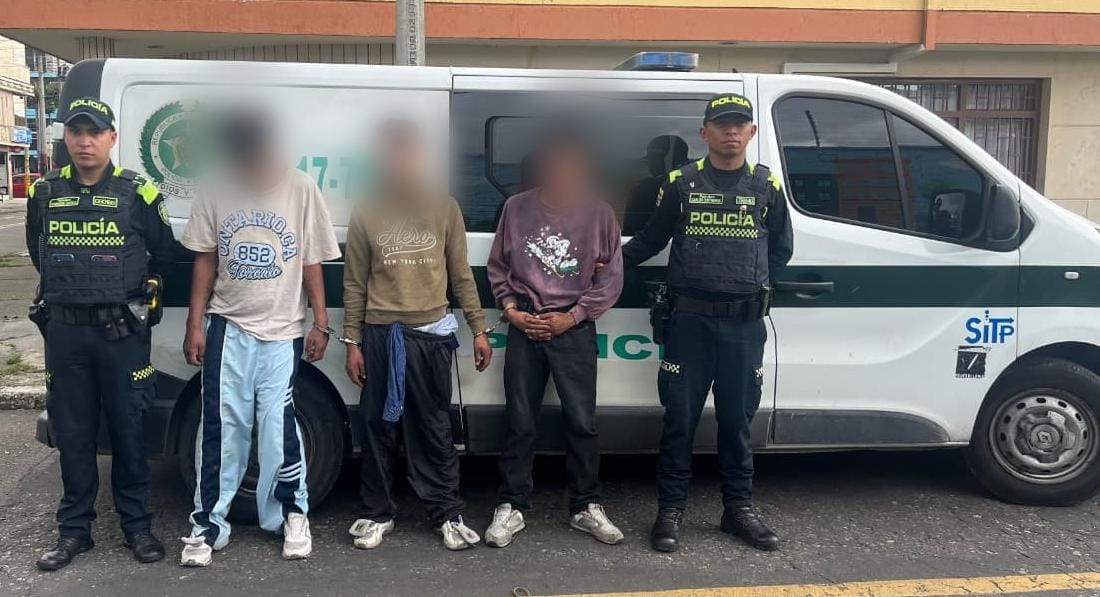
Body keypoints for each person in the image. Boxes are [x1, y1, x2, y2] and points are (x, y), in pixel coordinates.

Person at [622, 93, 794, 553]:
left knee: (737, 423)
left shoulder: (766, 187)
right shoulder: (680, 184)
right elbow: (648, 241)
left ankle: (737, 511)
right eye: (722, 124)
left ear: (751, 133)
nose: (731, 131)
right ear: (705, 134)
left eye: (740, 124)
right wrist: (601, 266)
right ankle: (670, 511)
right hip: (688, 325)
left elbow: (781, 249)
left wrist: (753, 289)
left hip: (743, 327)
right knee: (679, 421)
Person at [178, 111, 341, 566]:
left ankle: (291, 514)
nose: (248, 160)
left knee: (278, 428)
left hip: (283, 327)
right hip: (228, 325)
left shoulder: (300, 188)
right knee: (222, 428)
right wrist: (195, 323)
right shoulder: (215, 186)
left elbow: (312, 260)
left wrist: (321, 320)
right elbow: (205, 260)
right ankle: (209, 525)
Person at [26, 97, 176, 570]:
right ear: (65, 138)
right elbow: (39, 251)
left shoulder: (140, 192)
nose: (84, 141)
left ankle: (137, 527)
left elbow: (164, 251)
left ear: (112, 138)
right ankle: (74, 532)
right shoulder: (44, 193)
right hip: (67, 335)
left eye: (94, 132)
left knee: (130, 430)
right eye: (75, 132)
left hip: (121, 335)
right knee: (73, 435)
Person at [344, 120, 493, 551]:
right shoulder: (366, 209)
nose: (400, 162)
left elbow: (461, 276)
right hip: (380, 334)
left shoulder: (444, 207)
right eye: (393, 153)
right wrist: (352, 343)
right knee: (378, 427)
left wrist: (478, 329)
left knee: (433, 427)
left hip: (431, 336)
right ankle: (377, 513)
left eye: (408, 153)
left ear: (420, 157)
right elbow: (354, 282)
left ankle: (444, 511)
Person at [483, 132, 625, 548]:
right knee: (519, 421)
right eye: (554, 164)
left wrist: (573, 316)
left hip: (574, 330)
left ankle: (586, 505)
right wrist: (511, 311)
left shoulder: (599, 213)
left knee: (582, 422)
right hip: (525, 325)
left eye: (571, 165)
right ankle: (512, 505)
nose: (562, 172)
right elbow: (498, 267)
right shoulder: (516, 208)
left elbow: (611, 279)